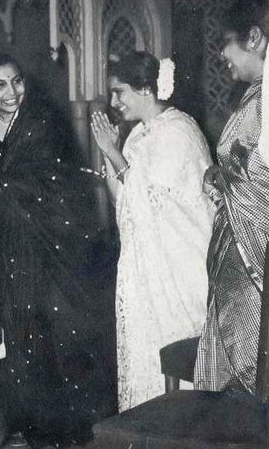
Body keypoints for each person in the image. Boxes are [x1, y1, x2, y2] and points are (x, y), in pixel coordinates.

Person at [0, 52, 116, 446]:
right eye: (0, 85)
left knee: (62, 331)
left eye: (17, 81)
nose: (12, 92)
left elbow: (47, 185)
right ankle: (39, 433)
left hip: (57, 240)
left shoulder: (43, 121)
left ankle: (78, 433)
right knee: (20, 333)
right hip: (9, 243)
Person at [90, 51, 215, 412]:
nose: (114, 102)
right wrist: (112, 154)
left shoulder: (178, 131)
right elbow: (125, 205)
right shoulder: (138, 135)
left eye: (120, 92)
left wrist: (113, 153)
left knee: (177, 358)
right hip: (144, 267)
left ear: (146, 89)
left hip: (177, 267)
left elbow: (153, 206)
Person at [194, 0, 269, 393]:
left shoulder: (264, 102)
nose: (221, 53)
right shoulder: (254, 96)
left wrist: (223, 179)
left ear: (254, 38)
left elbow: (258, 177)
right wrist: (217, 173)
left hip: (250, 256)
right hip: (234, 247)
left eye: (226, 43)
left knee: (245, 358)